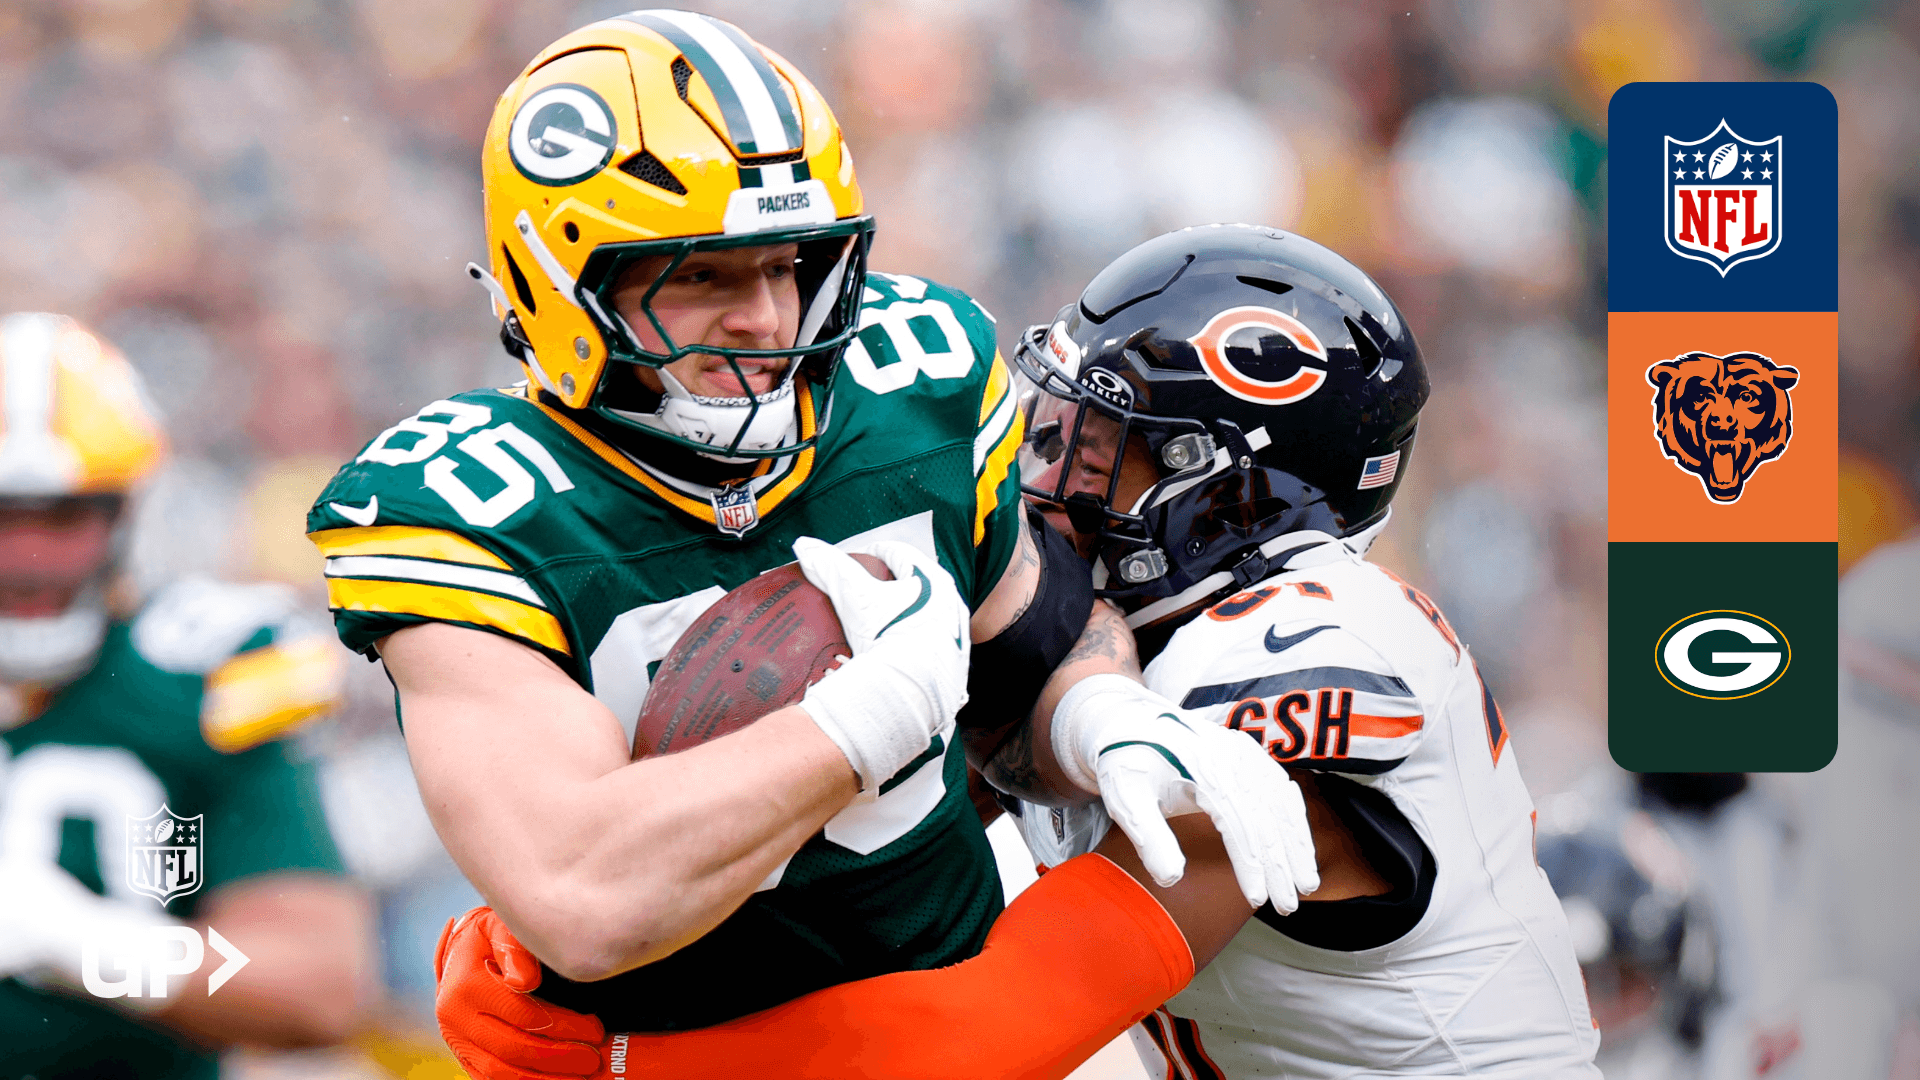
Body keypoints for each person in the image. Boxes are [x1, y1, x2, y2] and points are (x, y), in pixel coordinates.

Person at [308, 8, 1314, 1045]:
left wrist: (1096, 716)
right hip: (680, 1049)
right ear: (559, 282)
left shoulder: (913, 386)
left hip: (962, 1015)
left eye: (787, 264)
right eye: (701, 274)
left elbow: (1029, 650)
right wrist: (866, 715)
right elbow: (586, 898)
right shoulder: (465, 509)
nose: (766, 318)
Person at [431, 226, 1606, 1079]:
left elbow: (985, 1038)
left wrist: (622, 1060)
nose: (1046, 480)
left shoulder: (1293, 664)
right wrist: (562, 926)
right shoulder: (1141, 645)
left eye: (1100, 450)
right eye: (1055, 432)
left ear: (1226, 494)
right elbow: (849, 838)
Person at [0, 312, 374, 1080]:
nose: (27, 556)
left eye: (63, 517)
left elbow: (317, 987)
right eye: (1, 519)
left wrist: (77, 944)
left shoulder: (205, 671)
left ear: (125, 514)